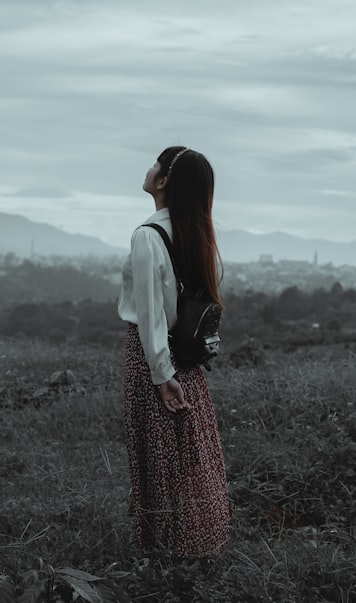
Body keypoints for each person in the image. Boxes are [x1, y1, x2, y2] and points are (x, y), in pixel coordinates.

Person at [117, 145, 230, 559]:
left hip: (153, 356)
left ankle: (164, 547)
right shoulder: (195, 234)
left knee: (158, 450)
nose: (148, 170)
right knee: (189, 450)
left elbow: (149, 315)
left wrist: (162, 377)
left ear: (163, 181)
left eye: (155, 165)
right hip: (186, 357)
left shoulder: (149, 235)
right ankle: (199, 537)